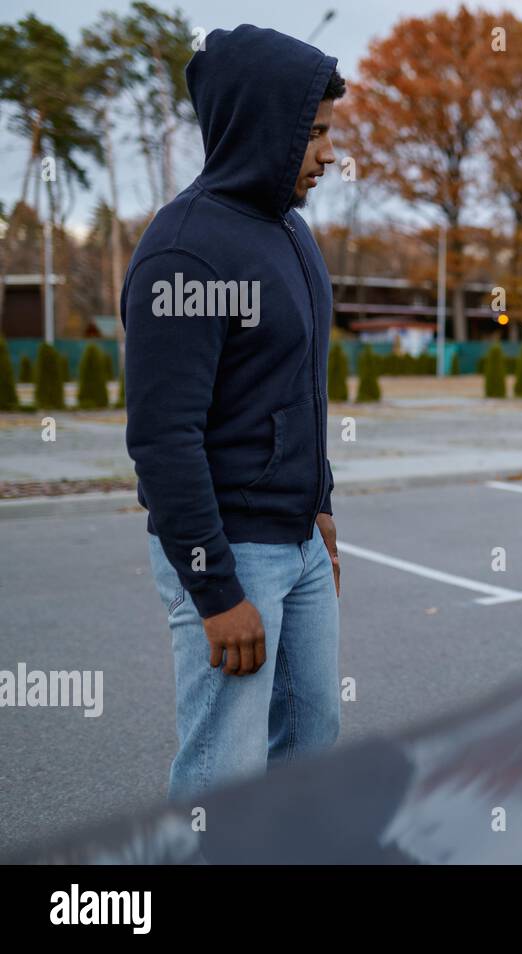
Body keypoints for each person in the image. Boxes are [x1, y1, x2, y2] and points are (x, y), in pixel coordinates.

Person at [122, 25, 344, 805]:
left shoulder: (292, 234)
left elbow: (295, 389)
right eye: (314, 134)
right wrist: (216, 593)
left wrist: (319, 504)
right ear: (265, 127)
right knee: (224, 775)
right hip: (230, 553)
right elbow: (162, 438)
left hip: (298, 545)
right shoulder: (186, 251)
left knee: (311, 756)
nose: (326, 154)